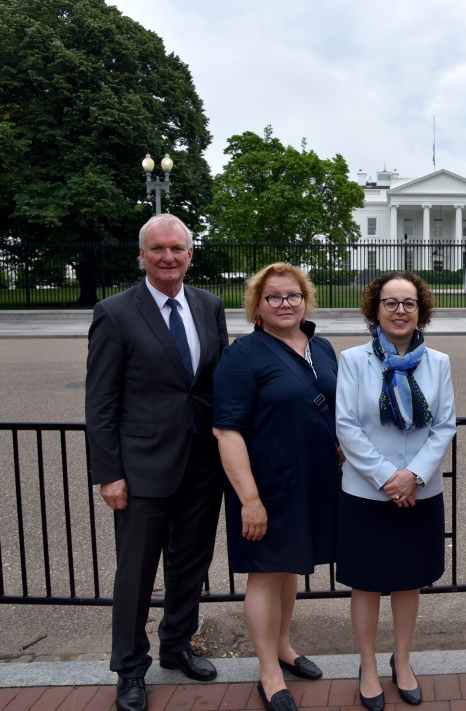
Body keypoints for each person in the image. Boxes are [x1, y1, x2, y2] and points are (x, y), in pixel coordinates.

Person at [85, 214, 228, 711]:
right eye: (158, 249)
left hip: (202, 465)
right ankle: (129, 668)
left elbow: (216, 384)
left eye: (177, 248)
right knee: (136, 574)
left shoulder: (210, 306)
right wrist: (108, 473)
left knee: (191, 564)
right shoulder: (116, 312)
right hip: (142, 468)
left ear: (191, 254)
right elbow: (101, 401)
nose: (169, 257)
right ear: (142, 255)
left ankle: (177, 644)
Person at [213, 263, 340, 711]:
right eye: (274, 297)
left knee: (290, 569)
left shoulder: (322, 347)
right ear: (258, 306)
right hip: (266, 485)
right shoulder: (243, 355)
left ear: (305, 300)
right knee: (266, 573)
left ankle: (284, 646)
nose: (285, 304)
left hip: (313, 480)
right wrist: (249, 499)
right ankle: (268, 672)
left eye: (293, 295)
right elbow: (226, 431)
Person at [335, 272, 456, 710]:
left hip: (419, 493)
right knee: (365, 584)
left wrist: (414, 475)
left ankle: (402, 661)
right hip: (366, 493)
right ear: (375, 308)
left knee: (408, 583)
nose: (400, 310)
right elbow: (346, 425)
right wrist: (388, 477)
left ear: (420, 309)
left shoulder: (438, 363)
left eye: (409, 303)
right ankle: (367, 665)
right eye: (391, 302)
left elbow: (443, 426)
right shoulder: (352, 360)